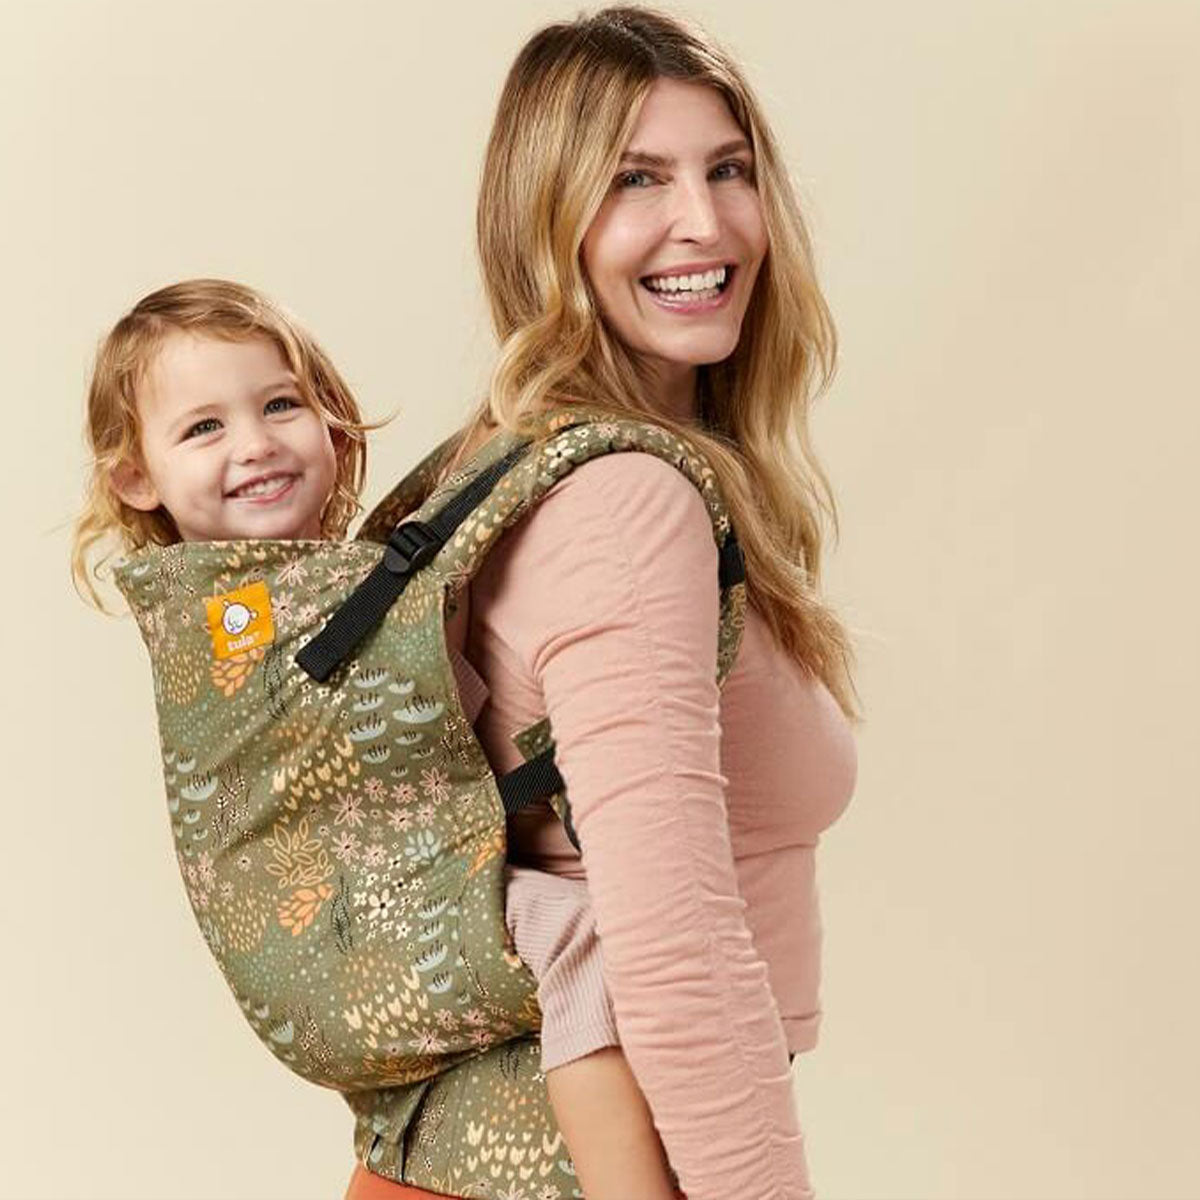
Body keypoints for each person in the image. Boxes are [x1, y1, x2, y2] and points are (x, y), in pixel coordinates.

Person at [344, 6, 860, 1200]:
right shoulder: (627, 502)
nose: (707, 220)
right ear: (545, 226)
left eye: (728, 169)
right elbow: (670, 943)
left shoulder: (521, 456)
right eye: (637, 179)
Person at [71, 277, 696, 1199]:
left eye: (281, 404)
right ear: (135, 476)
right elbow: (387, 650)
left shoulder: (310, 579)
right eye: (202, 428)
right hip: (342, 927)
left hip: (385, 899)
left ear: (331, 423)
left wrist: (523, 414)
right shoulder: (225, 612)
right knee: (586, 947)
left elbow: (406, 610)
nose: (254, 445)